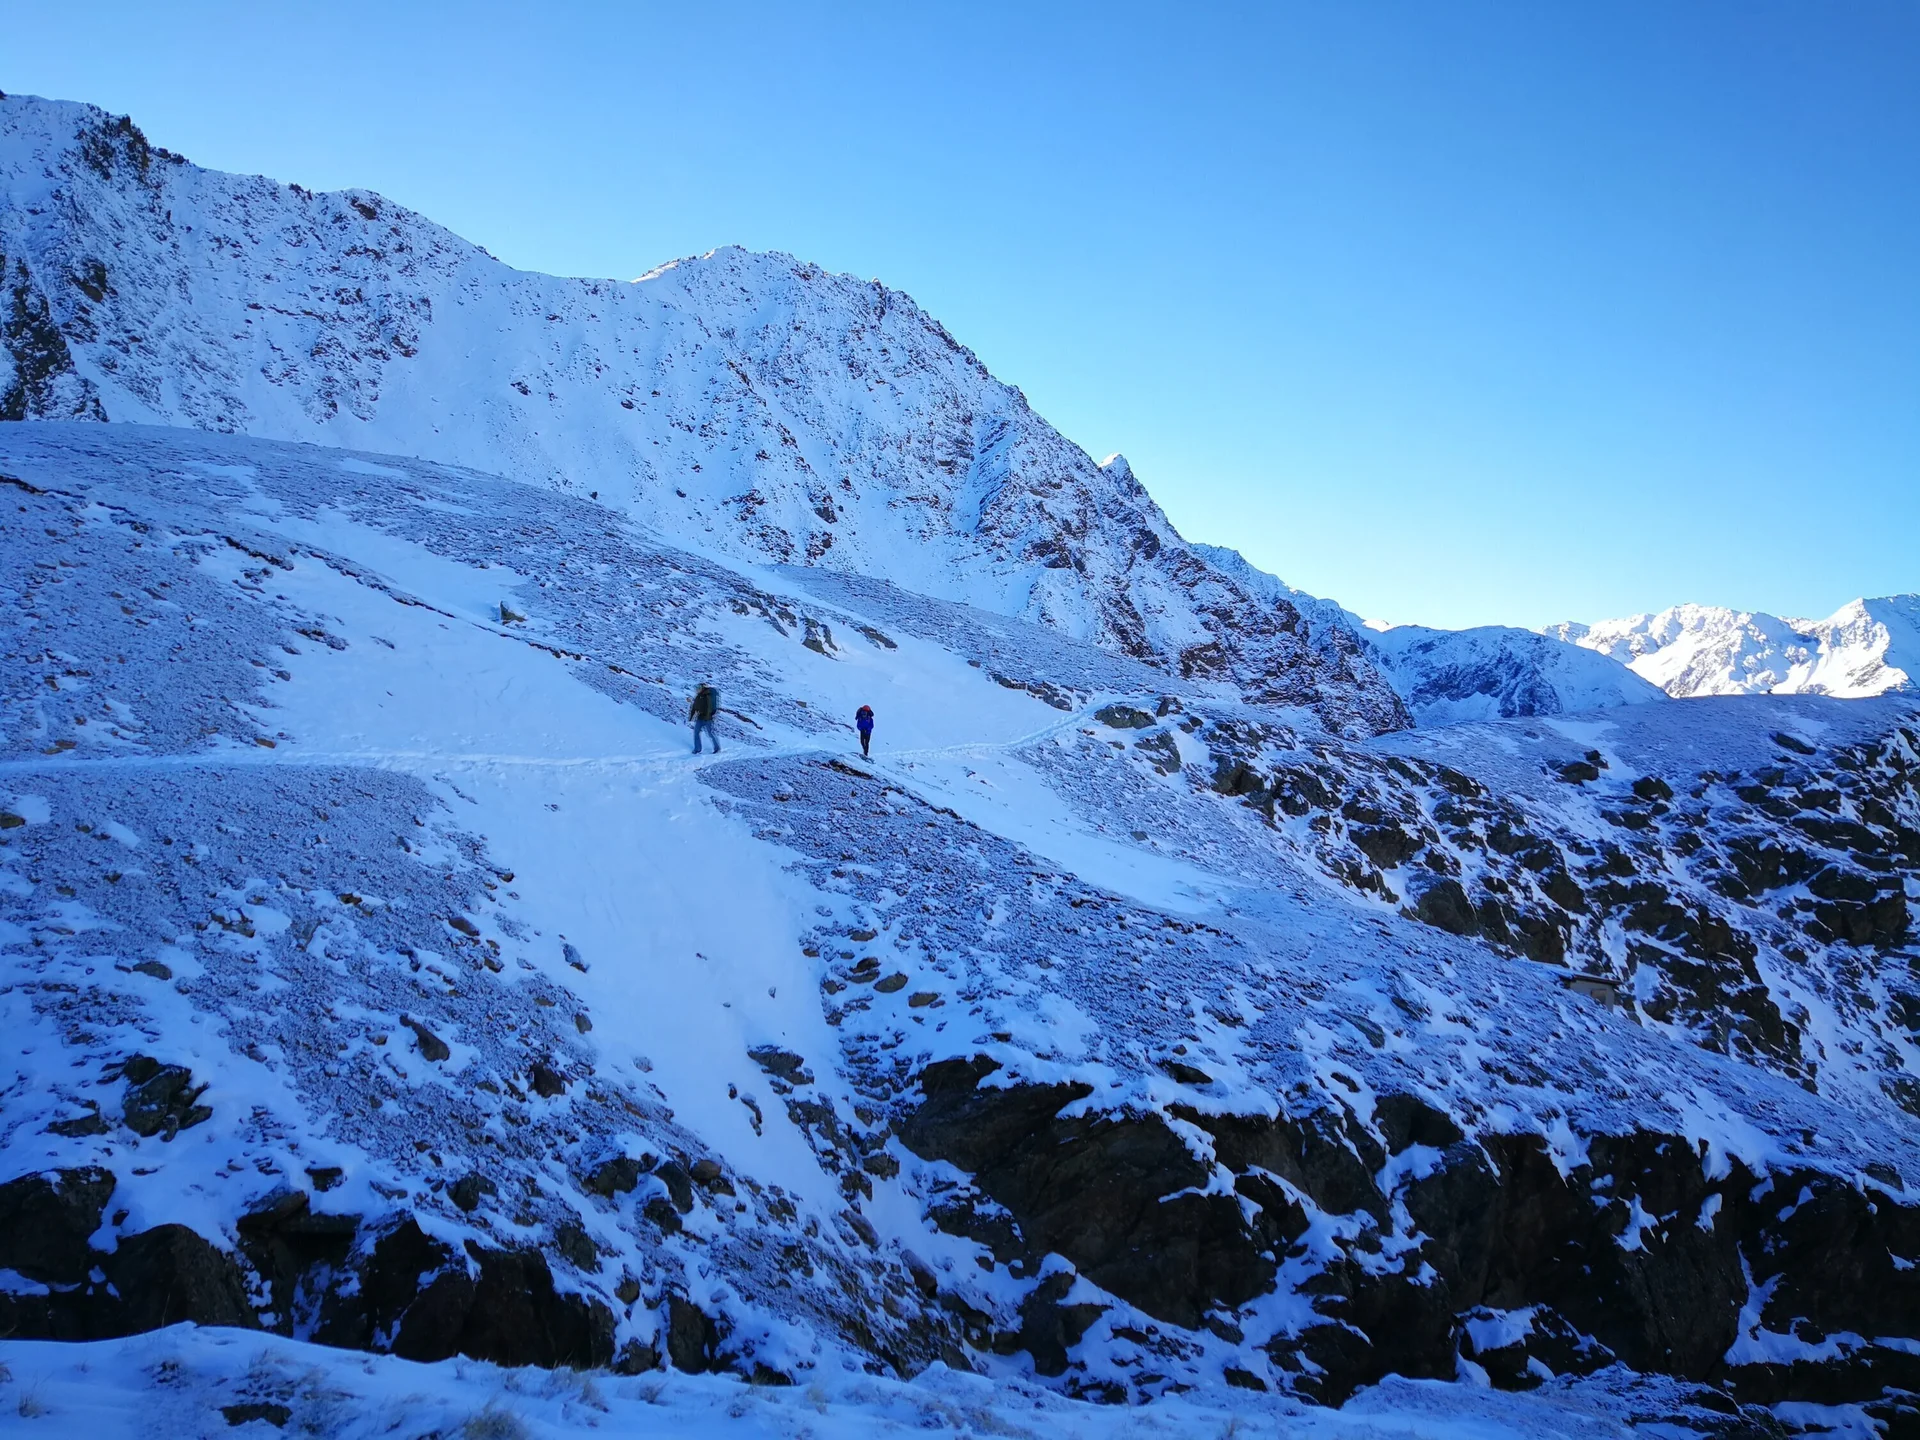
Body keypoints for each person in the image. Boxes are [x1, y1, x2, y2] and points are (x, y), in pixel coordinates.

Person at [689, 683, 721, 754]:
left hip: (708, 719)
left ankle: (717, 748)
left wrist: (707, 717)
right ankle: (697, 749)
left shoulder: (707, 696)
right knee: (696, 733)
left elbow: (709, 708)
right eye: (696, 689)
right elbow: (694, 707)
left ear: (702, 688)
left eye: (698, 688)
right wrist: (691, 718)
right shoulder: (698, 697)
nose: (696, 690)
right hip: (700, 717)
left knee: (710, 734)